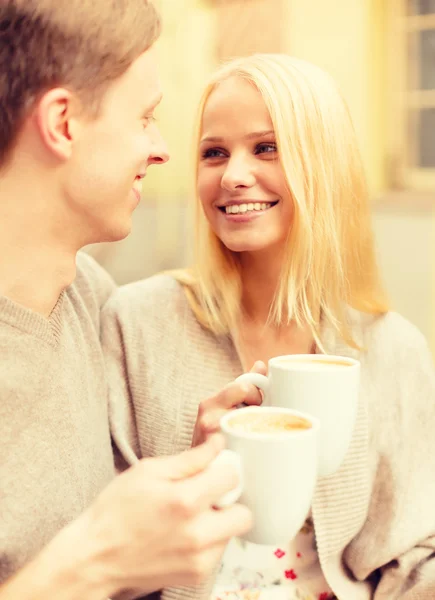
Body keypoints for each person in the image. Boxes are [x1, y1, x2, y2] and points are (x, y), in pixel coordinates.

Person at [101, 53, 435, 600]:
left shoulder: (392, 347)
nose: (233, 175)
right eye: (214, 153)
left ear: (324, 166)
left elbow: (412, 558)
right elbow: (103, 550)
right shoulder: (134, 322)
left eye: (266, 148)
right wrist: (194, 469)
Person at [0, 1, 254, 598]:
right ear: (62, 123)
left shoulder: (90, 297)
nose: (162, 149)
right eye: (145, 118)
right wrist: (96, 561)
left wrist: (186, 475)